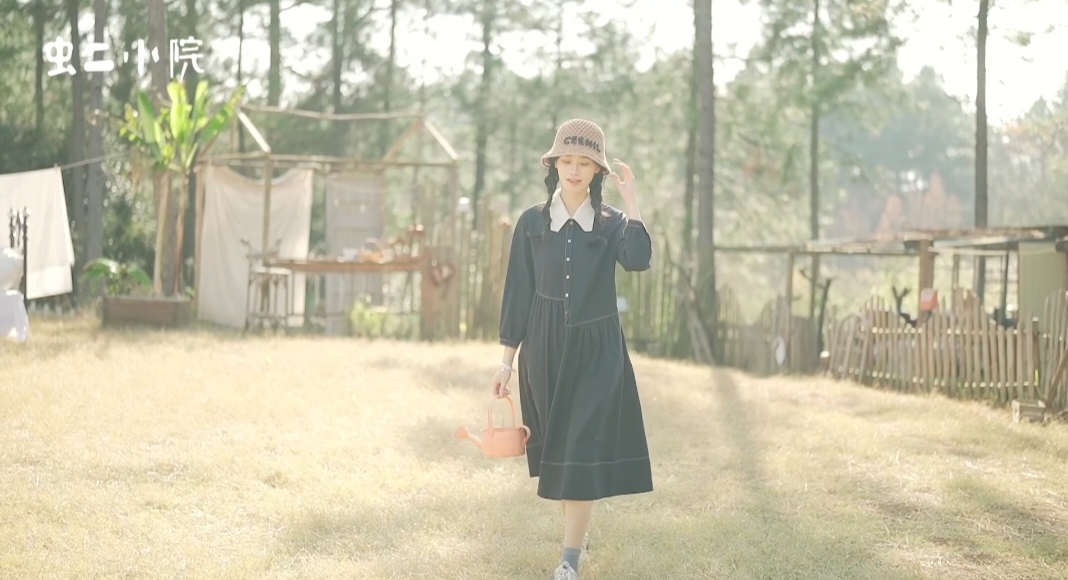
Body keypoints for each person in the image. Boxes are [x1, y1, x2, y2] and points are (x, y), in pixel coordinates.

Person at [490, 118, 654, 580]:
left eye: (584, 162)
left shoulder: (613, 223)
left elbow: (638, 260)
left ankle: (569, 560)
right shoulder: (531, 222)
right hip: (542, 350)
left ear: (598, 170)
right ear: (554, 165)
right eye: (567, 160)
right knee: (562, 454)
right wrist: (506, 361)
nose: (575, 170)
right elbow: (517, 293)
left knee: (580, 447)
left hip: (597, 351)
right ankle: (575, 538)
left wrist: (633, 203)